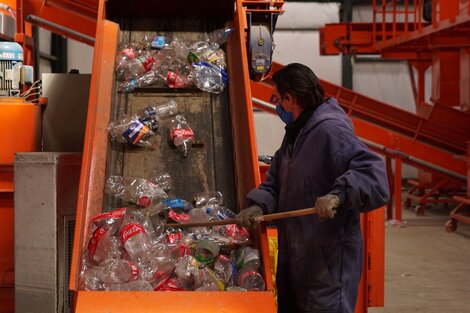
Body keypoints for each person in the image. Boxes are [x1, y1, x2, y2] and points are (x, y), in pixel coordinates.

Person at [236, 63, 389, 313]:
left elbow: (373, 174)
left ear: (290, 98)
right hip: (296, 260)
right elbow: (275, 183)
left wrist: (337, 196)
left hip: (325, 266)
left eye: (278, 98)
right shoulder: (296, 135)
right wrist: (258, 206)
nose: (277, 106)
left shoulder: (331, 130)